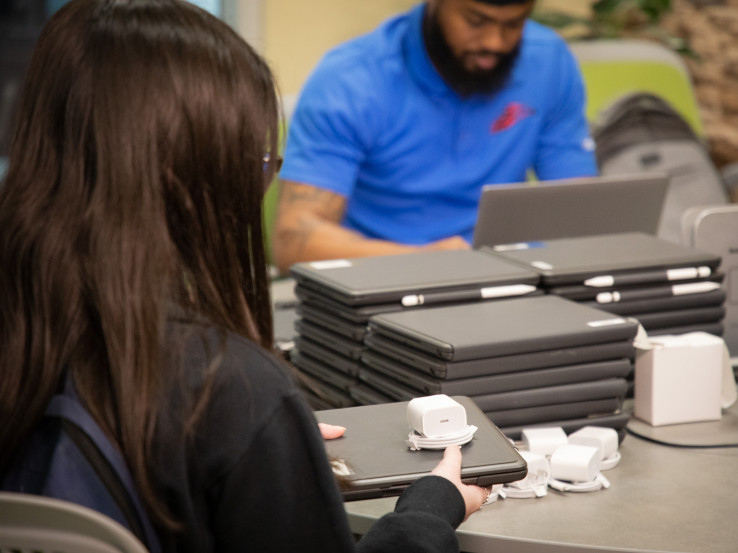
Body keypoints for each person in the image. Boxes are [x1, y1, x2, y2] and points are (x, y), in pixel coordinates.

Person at [0, 1, 488, 551]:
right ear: (189, 177)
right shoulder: (231, 391)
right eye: (259, 165)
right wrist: (428, 511)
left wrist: (277, 455)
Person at [272, 0, 598, 274]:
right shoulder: (351, 79)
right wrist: (430, 263)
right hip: (383, 278)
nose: (494, 43)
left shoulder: (549, 60)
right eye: (476, 21)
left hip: (508, 275)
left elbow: (577, 211)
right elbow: (292, 241)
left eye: (514, 24)